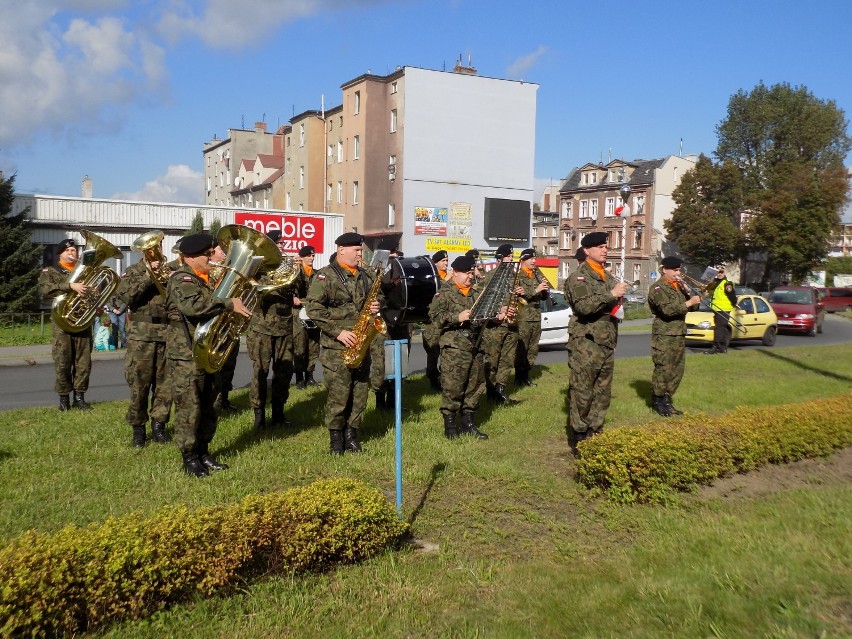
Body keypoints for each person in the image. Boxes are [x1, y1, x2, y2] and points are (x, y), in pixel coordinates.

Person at [165, 232, 252, 477]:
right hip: (186, 354)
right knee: (190, 406)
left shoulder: (207, 279)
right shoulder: (183, 278)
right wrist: (227, 304)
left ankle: (204, 451)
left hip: (208, 350)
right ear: (191, 257)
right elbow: (193, 308)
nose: (212, 257)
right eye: (208, 254)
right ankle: (189, 456)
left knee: (210, 404)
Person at [305, 232, 384, 455]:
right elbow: (313, 308)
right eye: (356, 251)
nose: (360, 254)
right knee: (339, 394)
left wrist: (376, 306)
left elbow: (376, 298)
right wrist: (338, 332)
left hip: (361, 341)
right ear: (341, 250)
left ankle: (352, 434)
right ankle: (336, 440)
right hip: (337, 346)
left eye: (360, 250)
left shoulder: (365, 274)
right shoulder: (325, 276)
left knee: (360, 393)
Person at [563, 232, 629, 453]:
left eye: (606, 246)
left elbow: (612, 305)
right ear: (587, 251)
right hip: (586, 342)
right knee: (583, 390)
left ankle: (595, 430)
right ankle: (579, 435)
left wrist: (617, 298)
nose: (604, 250)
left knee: (602, 391)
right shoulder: (579, 278)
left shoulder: (608, 277)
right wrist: (611, 294)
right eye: (600, 247)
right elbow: (583, 307)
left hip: (607, 340)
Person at [428, 254, 496, 439]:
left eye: (471, 272)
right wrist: (456, 317)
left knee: (475, 385)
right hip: (455, 347)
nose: (470, 276)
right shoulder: (444, 293)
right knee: (453, 386)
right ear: (455, 273)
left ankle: (468, 422)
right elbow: (434, 318)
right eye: (466, 273)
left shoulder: (476, 293)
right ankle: (450, 425)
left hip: (476, 345)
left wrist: (499, 313)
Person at [115, 236, 174, 448]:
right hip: (141, 335)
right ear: (143, 252)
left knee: (165, 385)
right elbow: (126, 297)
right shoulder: (132, 272)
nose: (155, 251)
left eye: (158, 246)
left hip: (167, 333)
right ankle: (138, 428)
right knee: (139, 384)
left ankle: (159, 426)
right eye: (150, 248)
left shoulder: (171, 272)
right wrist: (150, 275)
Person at [247, 230, 296, 430]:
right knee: (260, 370)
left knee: (284, 371)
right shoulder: (258, 265)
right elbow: (245, 283)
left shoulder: (288, 265)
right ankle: (259, 415)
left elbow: (298, 291)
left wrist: (295, 272)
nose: (282, 246)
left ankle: (278, 413)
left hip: (284, 325)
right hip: (262, 326)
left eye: (283, 243)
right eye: (278, 243)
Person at [38, 238, 95, 411]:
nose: (72, 254)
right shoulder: (51, 271)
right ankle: (64, 399)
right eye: (68, 251)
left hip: (82, 322)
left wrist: (95, 303)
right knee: (63, 361)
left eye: (74, 251)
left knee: (83, 362)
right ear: (60, 254)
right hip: (62, 323)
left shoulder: (85, 272)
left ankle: (80, 397)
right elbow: (45, 291)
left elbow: (91, 294)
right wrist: (70, 285)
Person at [647, 256, 701, 416]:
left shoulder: (678, 287)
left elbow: (693, 308)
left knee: (677, 369)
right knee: (663, 368)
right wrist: (688, 303)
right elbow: (667, 310)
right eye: (675, 270)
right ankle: (657, 400)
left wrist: (692, 295)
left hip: (678, 333)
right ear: (665, 269)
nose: (678, 273)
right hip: (664, 334)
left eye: (679, 270)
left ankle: (667, 399)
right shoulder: (658, 288)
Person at [482, 243, 519, 405]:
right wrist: (499, 310)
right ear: (500, 258)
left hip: (511, 323)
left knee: (507, 359)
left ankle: (501, 389)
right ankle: (490, 391)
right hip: (495, 325)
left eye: (512, 256)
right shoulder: (491, 276)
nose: (511, 259)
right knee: (492, 360)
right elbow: (484, 301)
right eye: (508, 256)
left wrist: (520, 293)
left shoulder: (514, 276)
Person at [208, 241, 240, 411]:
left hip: (229, 322)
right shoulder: (210, 271)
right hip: (215, 323)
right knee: (216, 364)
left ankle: (225, 397)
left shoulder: (228, 271)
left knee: (229, 363)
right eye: (222, 251)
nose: (225, 254)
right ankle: (214, 400)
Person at [513, 248, 550, 387]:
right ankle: (518, 377)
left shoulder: (536, 274)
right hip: (524, 316)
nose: (534, 261)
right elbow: (520, 295)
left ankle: (526, 376)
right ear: (523, 260)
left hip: (536, 315)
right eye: (531, 259)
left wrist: (545, 290)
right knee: (522, 348)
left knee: (533, 348)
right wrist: (536, 289)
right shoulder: (518, 276)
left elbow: (544, 296)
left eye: (535, 259)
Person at [293, 244, 321, 389]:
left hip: (313, 312)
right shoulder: (296, 272)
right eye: (309, 256)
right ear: (302, 257)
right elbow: (291, 288)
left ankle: (309, 376)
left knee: (313, 345)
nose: (311, 258)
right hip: (299, 314)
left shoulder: (317, 274)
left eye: (313, 256)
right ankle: (299, 379)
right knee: (300, 345)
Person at [421, 250, 450, 391]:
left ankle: (444, 379)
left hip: (446, 320)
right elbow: (436, 291)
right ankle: (433, 380)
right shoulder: (433, 277)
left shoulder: (448, 275)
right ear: (435, 263)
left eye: (446, 261)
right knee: (433, 352)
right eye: (443, 261)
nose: (446, 264)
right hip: (433, 323)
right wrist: (448, 280)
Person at [704, 264, 737, 355]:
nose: (719, 274)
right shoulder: (714, 282)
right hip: (716, 308)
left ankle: (715, 346)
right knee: (723, 327)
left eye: (721, 272)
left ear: (724, 272)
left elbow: (732, 295)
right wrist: (705, 292)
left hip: (724, 308)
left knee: (719, 327)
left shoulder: (727, 282)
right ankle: (723, 347)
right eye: (718, 272)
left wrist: (735, 304)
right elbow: (709, 293)